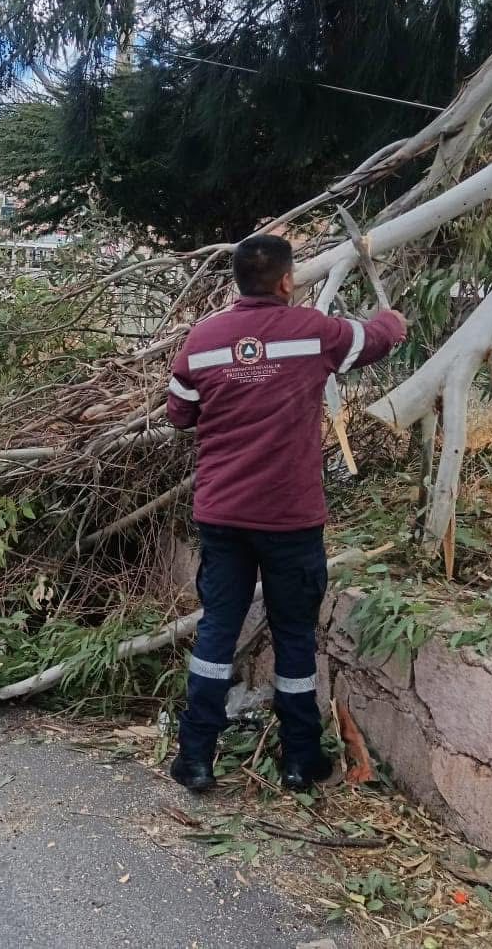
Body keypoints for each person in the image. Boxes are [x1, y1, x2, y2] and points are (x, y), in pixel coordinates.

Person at [165, 234, 407, 793]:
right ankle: (300, 760)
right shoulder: (313, 334)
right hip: (291, 521)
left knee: (217, 630)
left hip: (223, 516)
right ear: (286, 282)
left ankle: (196, 757)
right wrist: (393, 320)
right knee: (295, 637)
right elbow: (374, 339)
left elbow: (180, 413)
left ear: (236, 283)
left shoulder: (202, 340)